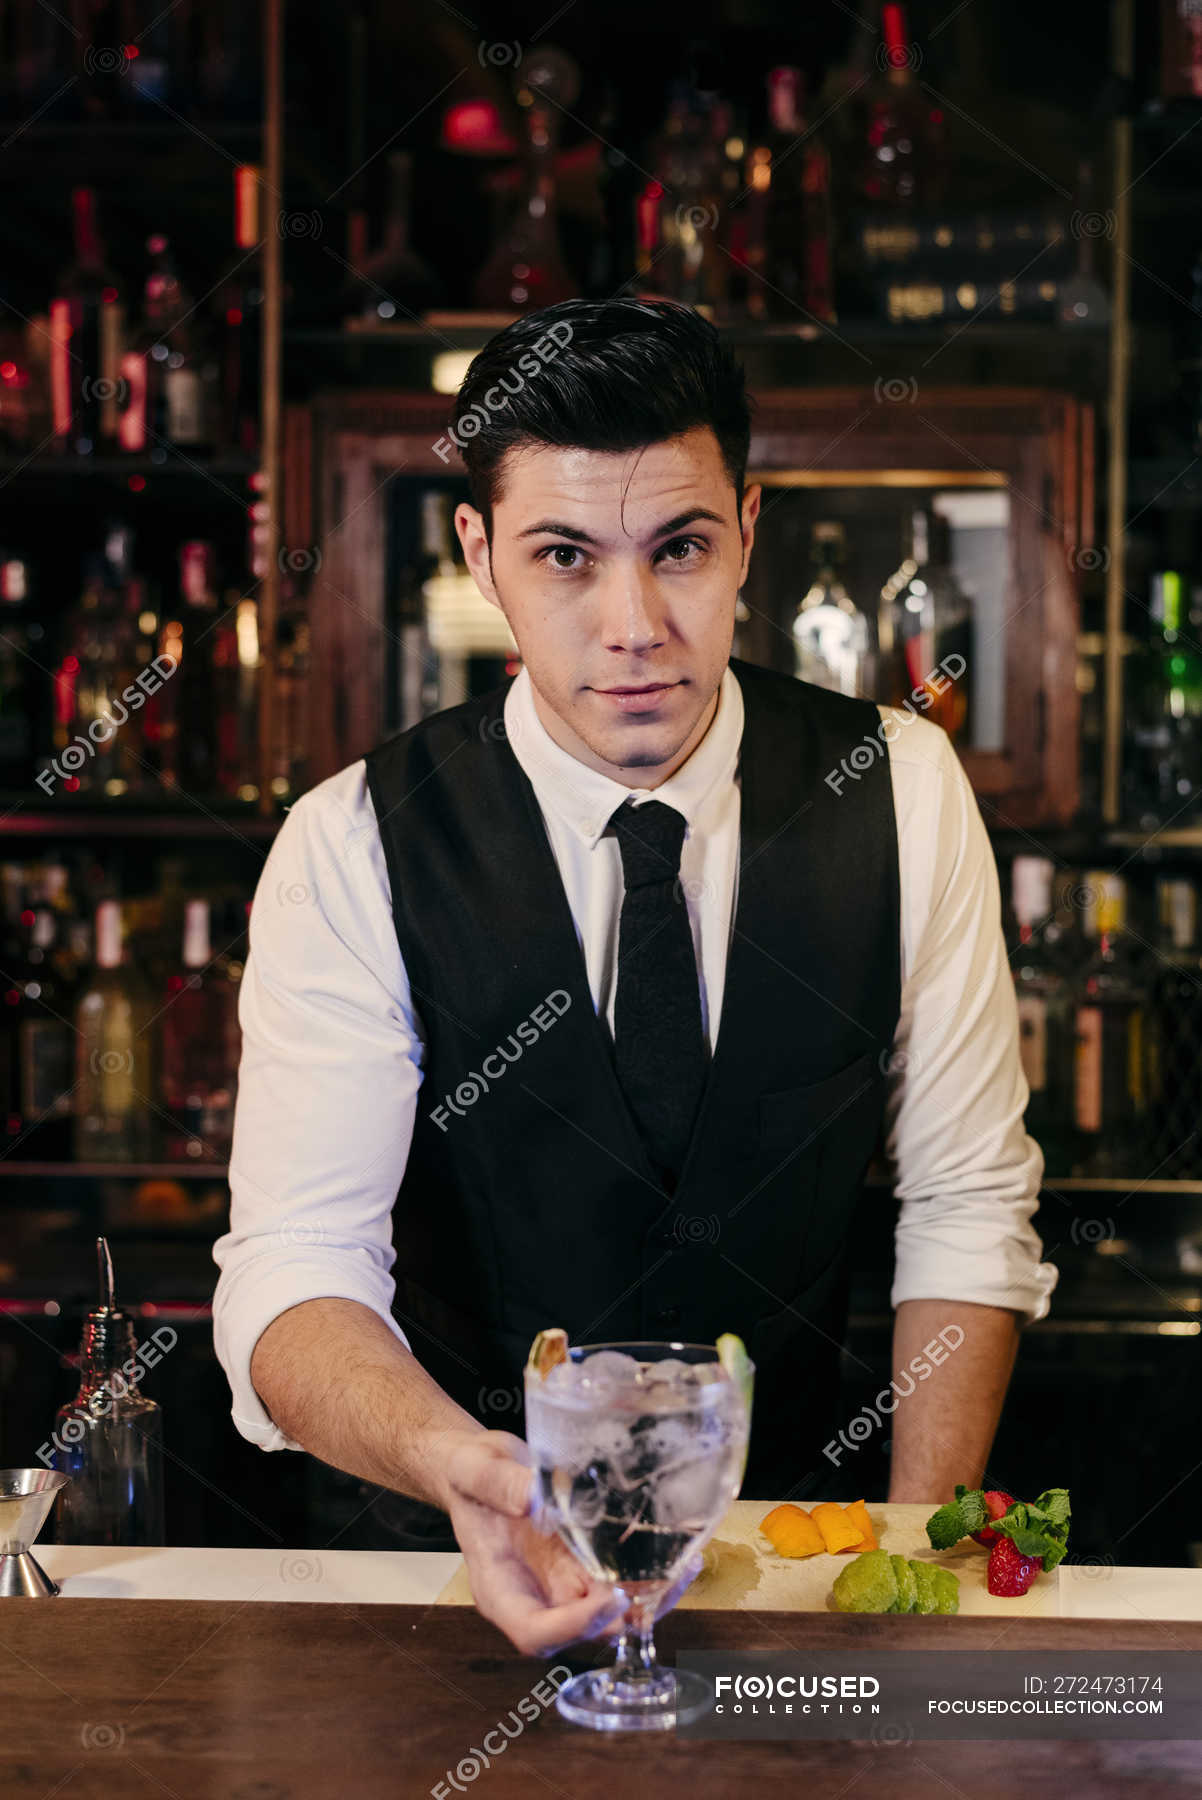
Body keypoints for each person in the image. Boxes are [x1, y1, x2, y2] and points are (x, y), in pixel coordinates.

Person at [213, 296, 1056, 1656]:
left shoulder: (894, 789)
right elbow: (296, 1270)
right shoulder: (353, 839)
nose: (634, 624)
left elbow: (963, 1203)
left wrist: (911, 1571)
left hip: (793, 1560)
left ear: (747, 534)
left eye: (679, 548)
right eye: (564, 556)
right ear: (479, 553)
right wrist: (464, 1471)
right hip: (443, 1568)